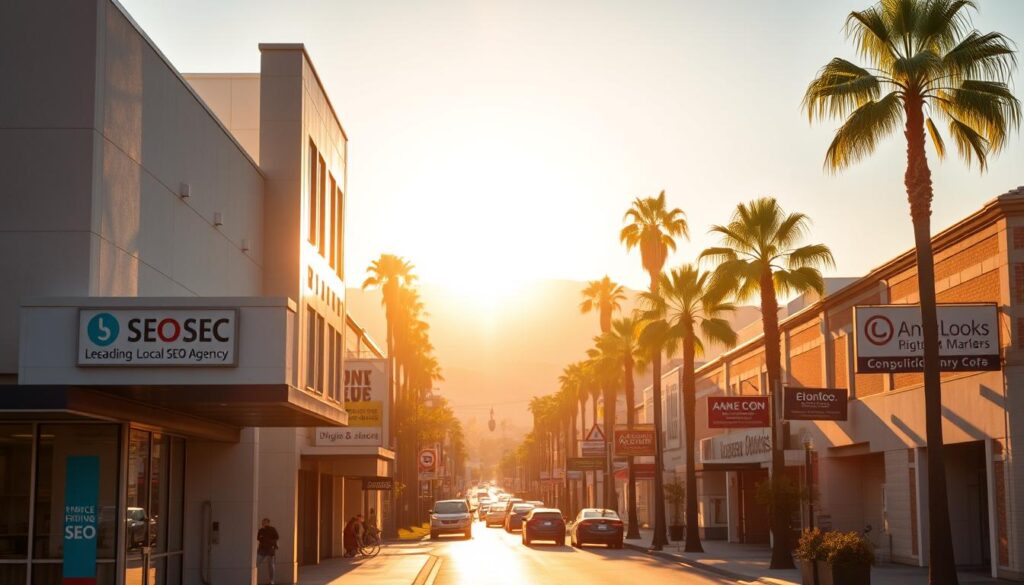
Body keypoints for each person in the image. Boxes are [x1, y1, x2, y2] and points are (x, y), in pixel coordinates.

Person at [256, 518, 279, 585]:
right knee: (256, 563)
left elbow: (277, 537)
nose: (263, 523)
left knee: (271, 565)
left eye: (265, 522)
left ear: (268, 522)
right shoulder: (261, 530)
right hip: (262, 548)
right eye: (262, 522)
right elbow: (258, 538)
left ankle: (272, 581)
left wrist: (272, 543)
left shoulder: (272, 529)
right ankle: (254, 578)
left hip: (270, 549)